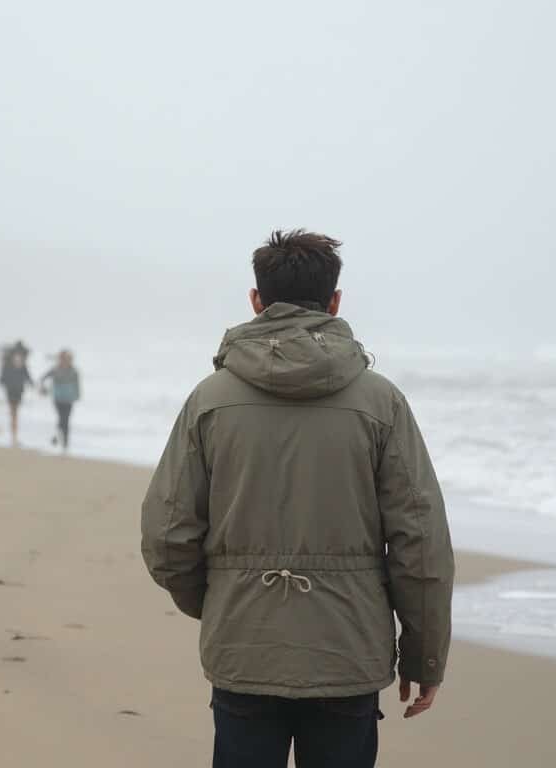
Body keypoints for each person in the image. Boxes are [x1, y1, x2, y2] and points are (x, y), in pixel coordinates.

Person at [141, 230, 454, 768]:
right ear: (335, 302)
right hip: (348, 651)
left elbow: (167, 535)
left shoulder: (210, 400)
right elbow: (419, 543)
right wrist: (424, 655)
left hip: (245, 646)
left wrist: (222, 601)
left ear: (256, 302)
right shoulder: (381, 402)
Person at [40, 350, 81, 451]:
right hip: (58, 398)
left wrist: (77, 395)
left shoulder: (74, 371)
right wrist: (43, 389)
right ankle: (60, 438)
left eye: (69, 359)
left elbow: (77, 384)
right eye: (65, 358)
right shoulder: (55, 369)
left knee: (66, 420)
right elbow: (43, 378)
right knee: (62, 418)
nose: (67, 360)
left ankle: (64, 442)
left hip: (69, 399)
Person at [0, 347, 33, 447]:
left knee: (15, 413)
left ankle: (14, 436)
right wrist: (7, 384)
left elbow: (28, 378)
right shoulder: (7, 365)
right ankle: (13, 436)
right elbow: (1, 379)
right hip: (10, 392)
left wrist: (34, 386)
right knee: (13, 413)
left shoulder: (22, 366)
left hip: (19, 392)